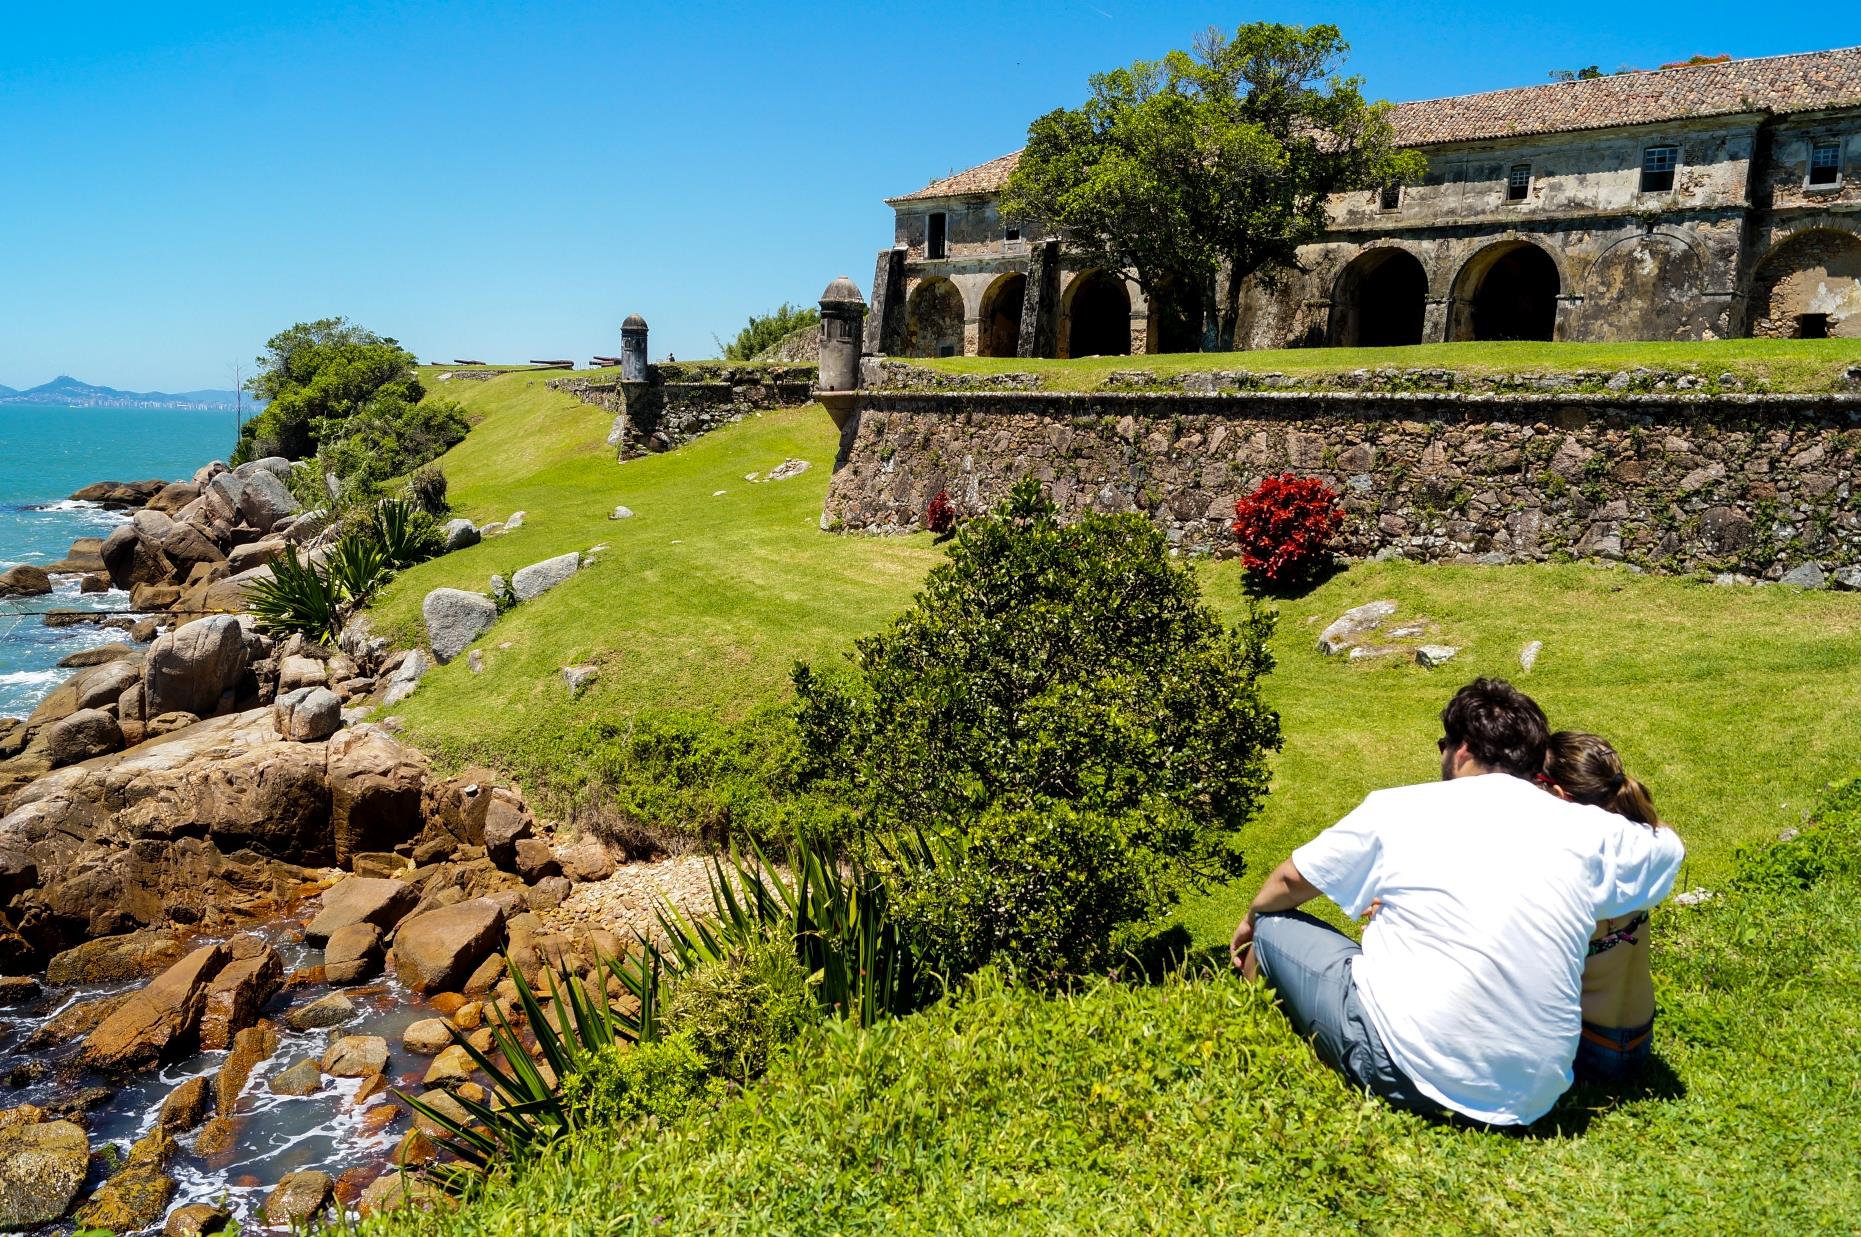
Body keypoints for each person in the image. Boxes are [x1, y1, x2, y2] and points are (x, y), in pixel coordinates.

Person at [1230, 678, 1685, 1126]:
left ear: (1462, 749)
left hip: (1404, 1069)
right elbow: (1668, 847)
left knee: (1275, 925)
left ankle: (1256, 1028)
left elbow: (1292, 878)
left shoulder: (1396, 809)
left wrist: (1251, 920)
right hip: (1537, 1091)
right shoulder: (1589, 829)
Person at [1540, 731, 1665, 1084]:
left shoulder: (1570, 865)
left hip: (1589, 1048)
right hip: (1639, 1040)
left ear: (1560, 796)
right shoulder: (1635, 852)